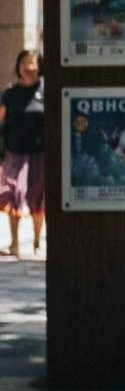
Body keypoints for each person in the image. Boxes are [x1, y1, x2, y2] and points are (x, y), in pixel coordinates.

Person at [0, 50, 45, 258]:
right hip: (14, 152)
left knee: (38, 198)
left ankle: (37, 239)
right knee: (12, 195)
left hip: (39, 153)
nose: (28, 67)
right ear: (18, 66)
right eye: (24, 63)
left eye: (32, 63)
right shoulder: (10, 93)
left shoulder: (46, 89)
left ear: (40, 66)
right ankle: (15, 243)